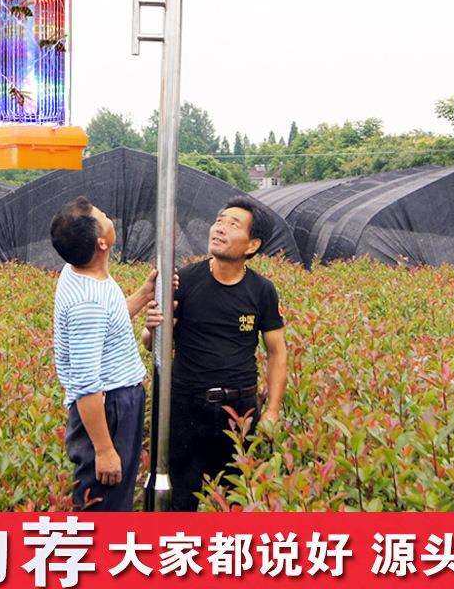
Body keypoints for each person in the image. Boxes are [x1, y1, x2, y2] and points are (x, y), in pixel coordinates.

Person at [143, 196, 287, 511]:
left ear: (252, 245)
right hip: (185, 407)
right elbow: (151, 343)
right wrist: (153, 329)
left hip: (238, 411)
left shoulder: (262, 291)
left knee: (235, 499)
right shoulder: (185, 280)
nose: (220, 228)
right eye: (219, 221)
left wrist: (273, 409)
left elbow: (277, 352)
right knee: (181, 500)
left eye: (233, 225)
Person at [51, 195, 160, 511]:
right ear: (101, 243)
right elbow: (86, 386)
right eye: (102, 216)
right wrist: (104, 450)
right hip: (107, 408)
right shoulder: (87, 303)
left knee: (115, 499)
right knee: (105, 505)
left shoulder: (79, 272)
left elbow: (108, 321)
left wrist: (144, 295)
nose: (107, 214)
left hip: (114, 402)